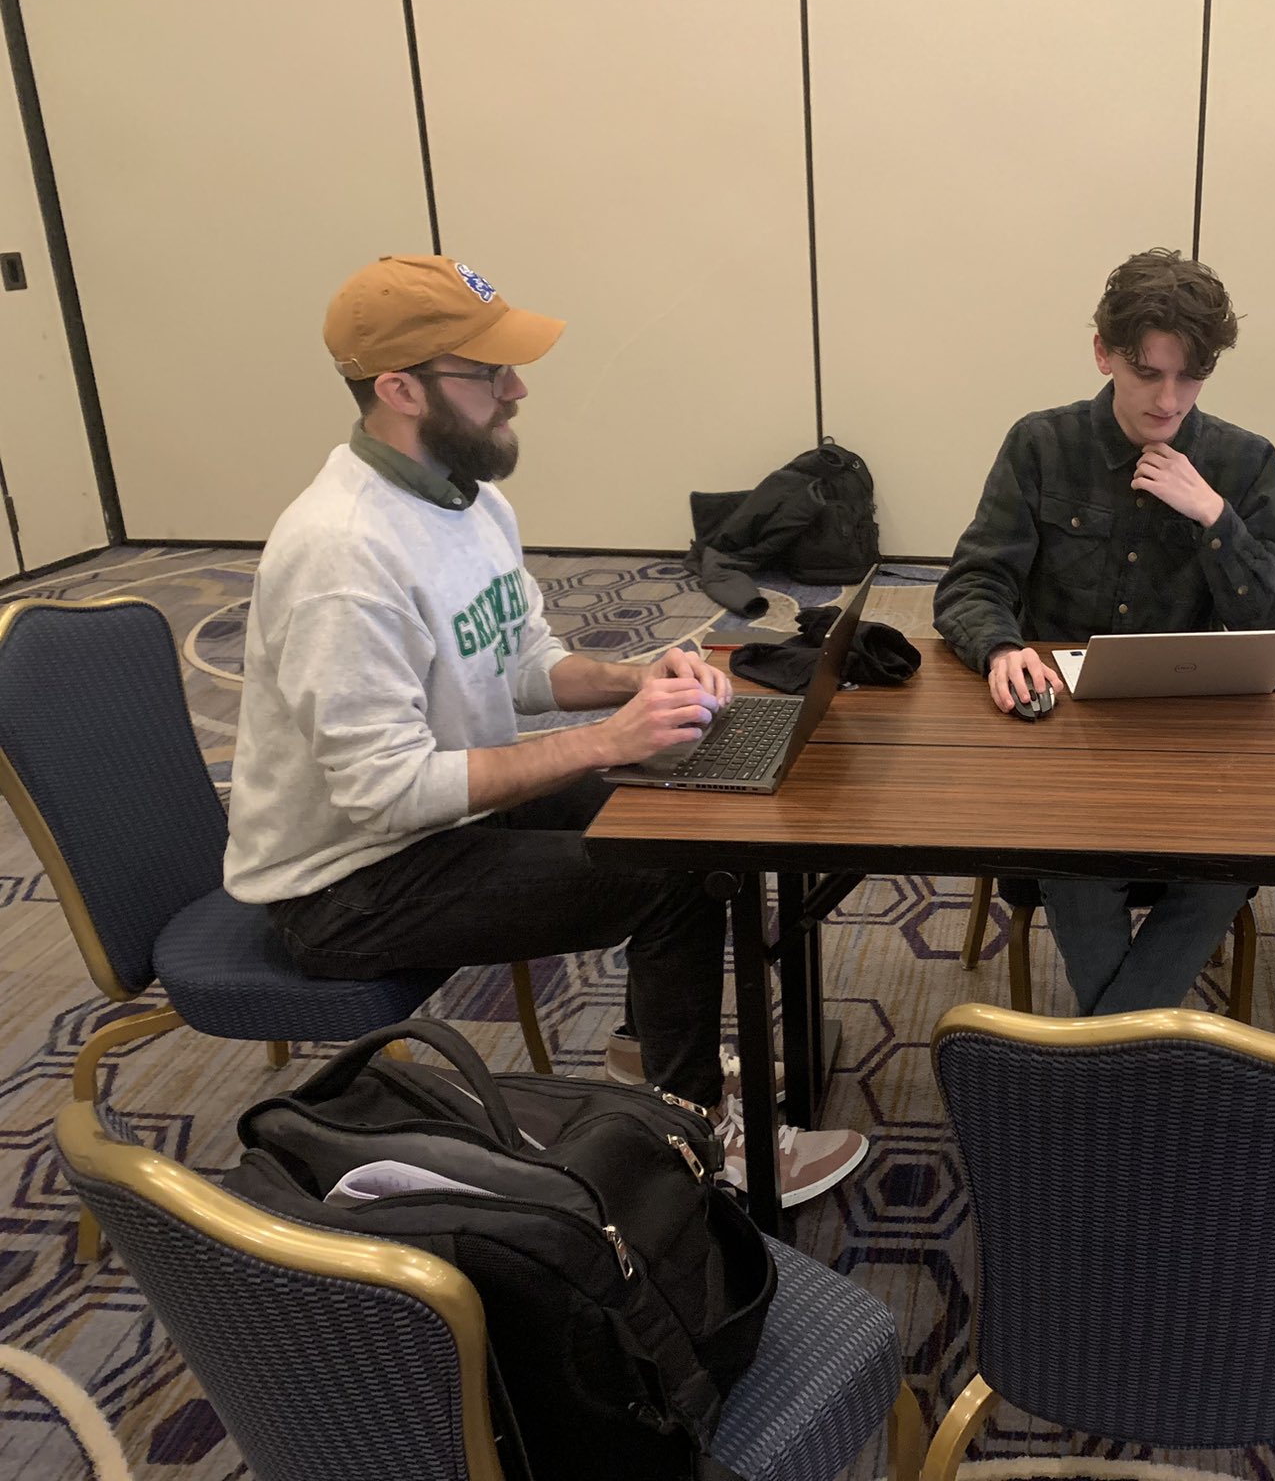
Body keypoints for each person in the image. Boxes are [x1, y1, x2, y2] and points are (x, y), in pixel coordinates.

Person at [223, 254, 867, 1206]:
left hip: (440, 818)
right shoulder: (343, 554)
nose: (516, 389)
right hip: (352, 883)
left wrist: (633, 682)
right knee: (666, 876)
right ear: (399, 390)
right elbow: (382, 792)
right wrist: (609, 741)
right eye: (487, 374)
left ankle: (651, 1060)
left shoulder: (466, 496)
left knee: (680, 812)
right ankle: (690, 1141)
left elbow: (521, 665)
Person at [934, 247, 1275, 1013]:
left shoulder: (1240, 461)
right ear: (1104, 354)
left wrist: (1212, 515)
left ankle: (1105, 1062)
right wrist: (1000, 646)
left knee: (1233, 861)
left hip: (1197, 744)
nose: (1170, 401)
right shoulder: (1042, 445)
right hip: (1066, 737)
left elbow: (1273, 620)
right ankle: (1139, 1062)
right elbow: (973, 582)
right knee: (1076, 857)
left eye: (1190, 377)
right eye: (1148, 374)